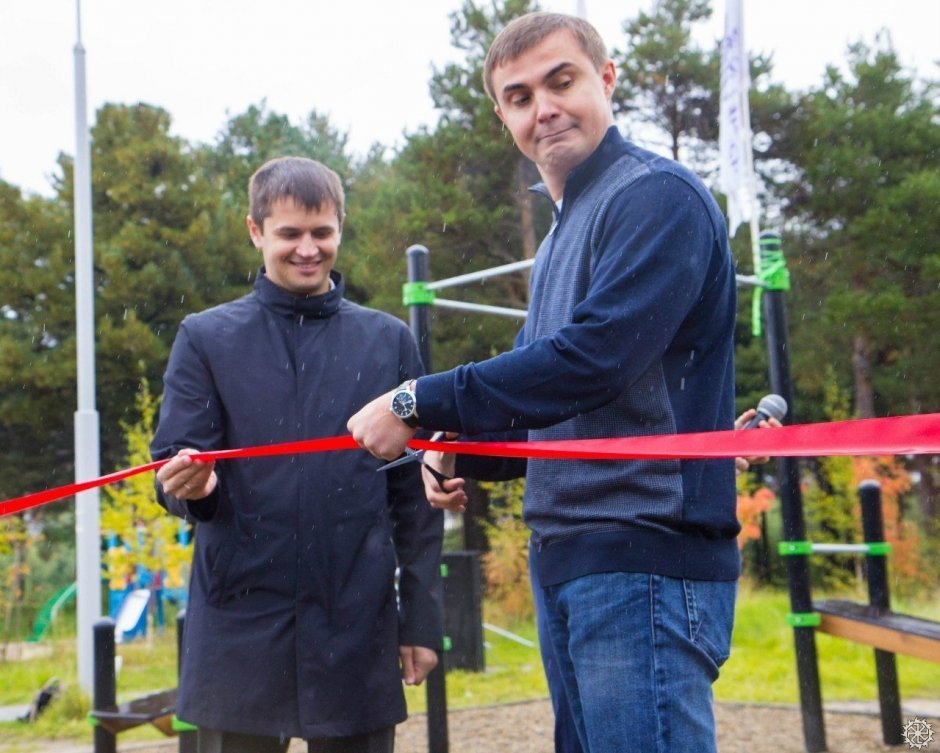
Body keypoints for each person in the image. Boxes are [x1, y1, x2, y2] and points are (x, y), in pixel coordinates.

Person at [348, 11, 744, 753]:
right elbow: (548, 411)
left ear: (607, 78)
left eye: (561, 81)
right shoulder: (567, 229)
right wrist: (459, 446)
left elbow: (594, 358)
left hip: (645, 557)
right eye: (521, 96)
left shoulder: (656, 198)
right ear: (504, 116)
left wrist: (415, 400)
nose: (545, 108)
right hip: (569, 555)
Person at [151, 156, 443, 753]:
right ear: (256, 231)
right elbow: (171, 473)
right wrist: (196, 489)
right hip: (239, 631)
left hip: (354, 625)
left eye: (322, 233)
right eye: (289, 234)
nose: (307, 249)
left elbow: (415, 496)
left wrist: (420, 620)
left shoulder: (388, 342)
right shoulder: (205, 338)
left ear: (341, 227)